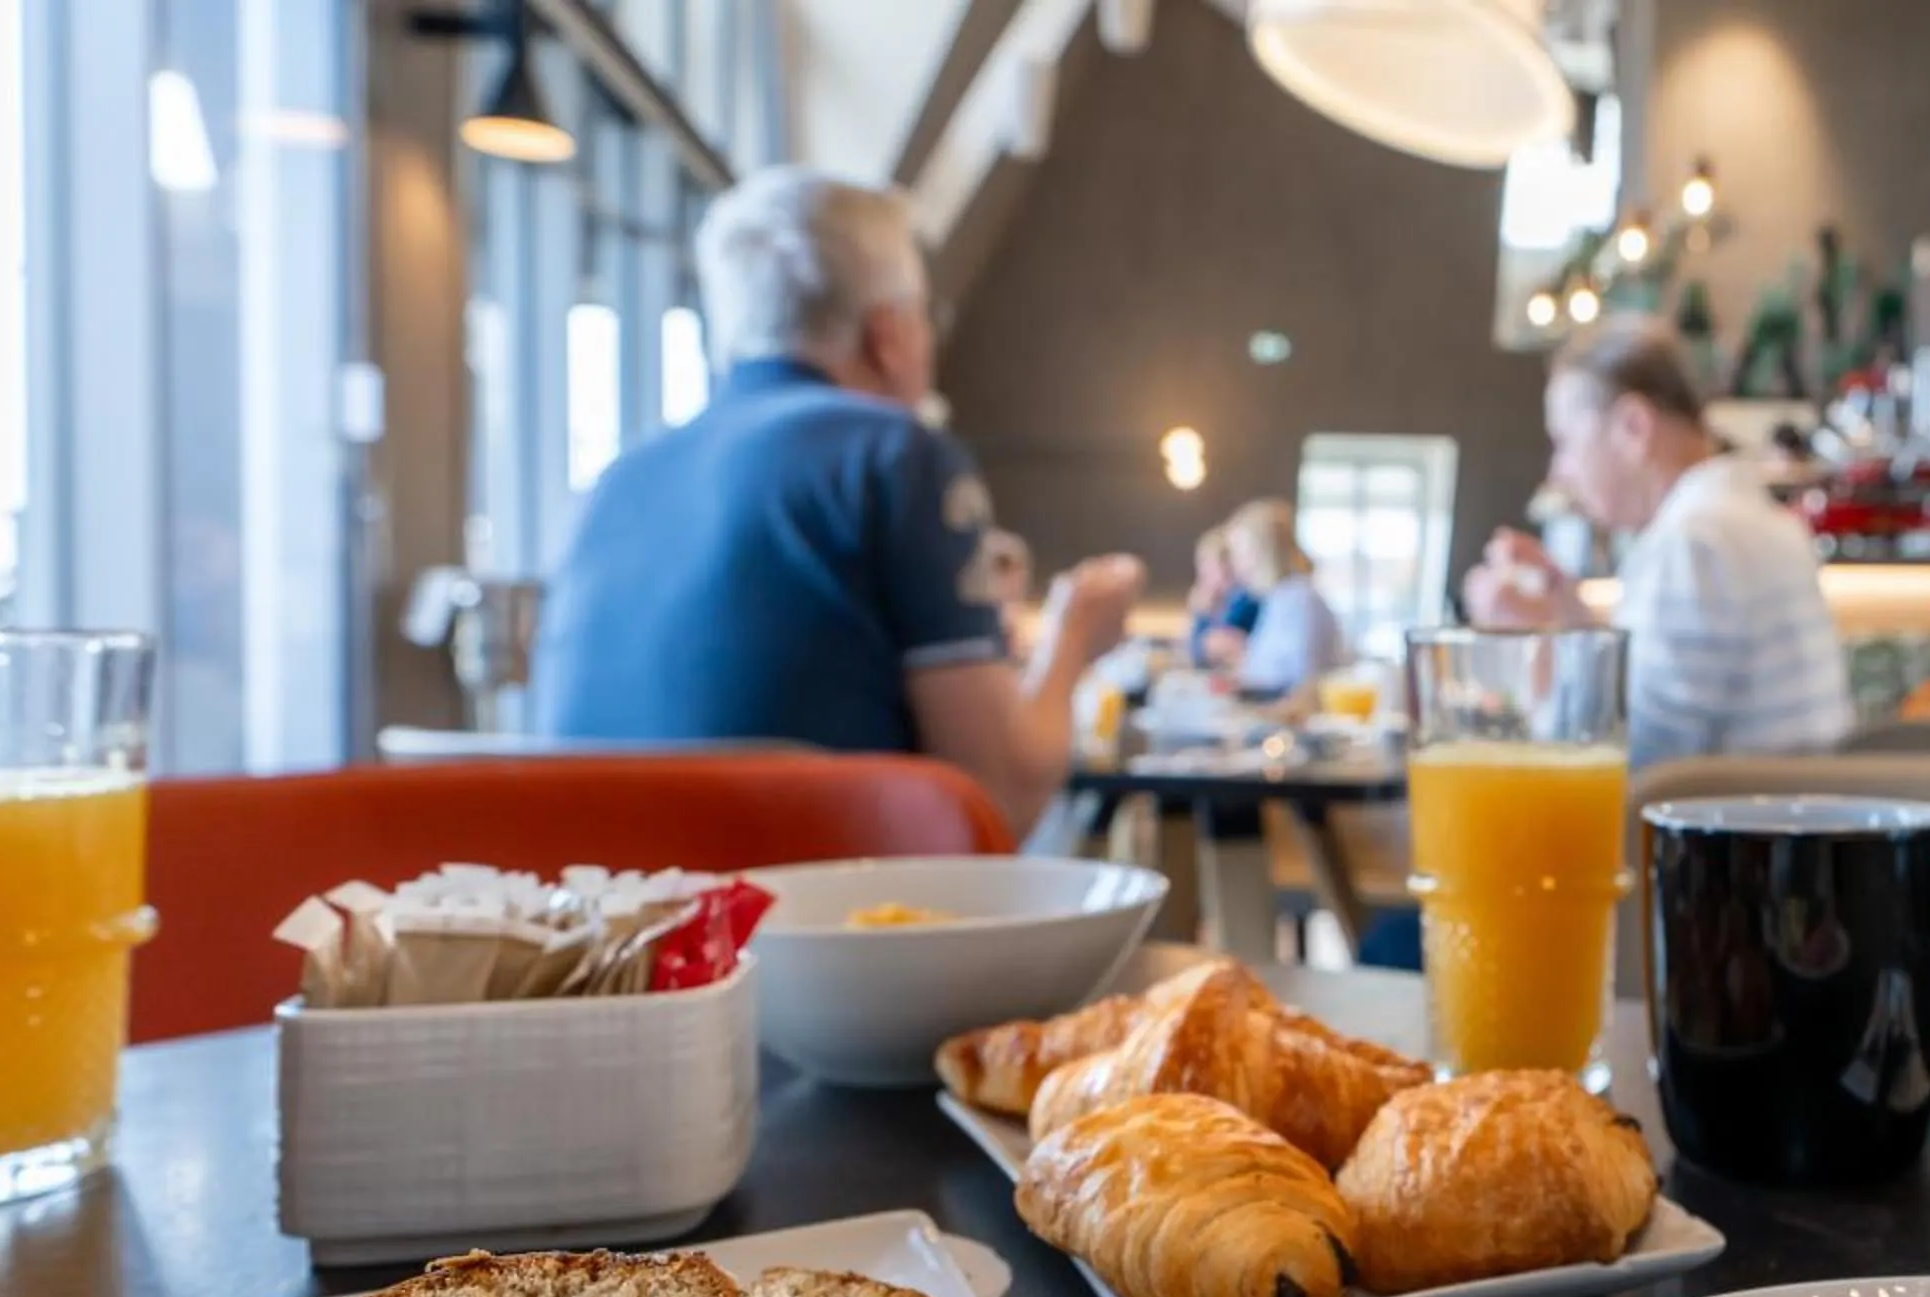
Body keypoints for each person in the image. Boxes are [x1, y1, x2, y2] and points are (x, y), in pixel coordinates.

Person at [535, 165, 1138, 832]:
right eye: (925, 318)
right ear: (887, 336)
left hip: (606, 886)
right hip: (799, 889)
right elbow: (997, 802)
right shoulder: (895, 456)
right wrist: (1076, 636)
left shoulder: (616, 481)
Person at [1464, 314, 1854, 767]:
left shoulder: (1691, 542)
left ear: (1633, 427)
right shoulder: (1755, 518)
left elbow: (1622, 764)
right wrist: (1571, 621)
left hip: (1725, 813)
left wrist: (1537, 648)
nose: (1559, 471)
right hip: (1781, 807)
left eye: (1565, 441)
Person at [1223, 499, 1345, 700]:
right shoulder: (1278, 598)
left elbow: (1304, 684)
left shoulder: (1300, 600)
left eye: (1241, 553)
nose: (1237, 564)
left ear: (1264, 551)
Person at [1185, 525, 1258, 675]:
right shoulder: (1214, 599)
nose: (1203, 572)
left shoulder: (1245, 598)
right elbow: (1195, 647)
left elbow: (1211, 645)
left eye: (1208, 564)